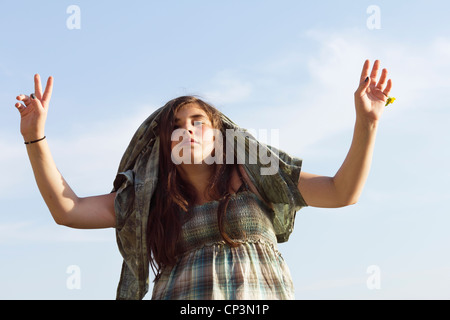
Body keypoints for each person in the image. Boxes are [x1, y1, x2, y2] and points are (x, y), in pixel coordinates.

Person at [14, 59, 393, 299]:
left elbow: (342, 192)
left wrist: (368, 123)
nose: (187, 131)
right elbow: (69, 209)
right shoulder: (150, 198)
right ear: (164, 143)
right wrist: (35, 137)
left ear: (219, 133)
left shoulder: (256, 176)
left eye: (198, 122)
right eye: (176, 126)